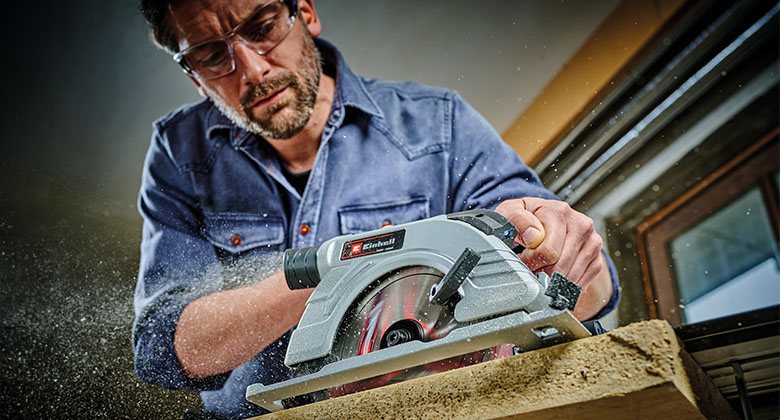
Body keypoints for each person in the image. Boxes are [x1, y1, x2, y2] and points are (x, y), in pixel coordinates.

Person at [133, 0, 620, 418]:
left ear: (305, 12)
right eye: (212, 55)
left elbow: (590, 291)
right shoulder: (179, 154)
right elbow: (162, 349)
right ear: (194, 77)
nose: (252, 70)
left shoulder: (438, 123)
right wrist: (340, 275)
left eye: (261, 28)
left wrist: (556, 247)